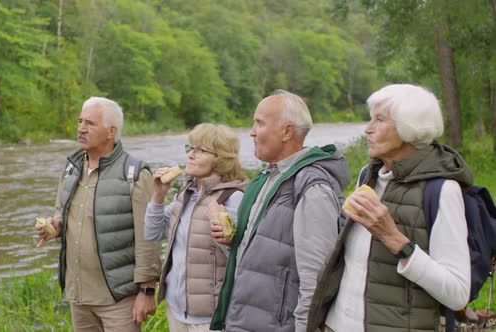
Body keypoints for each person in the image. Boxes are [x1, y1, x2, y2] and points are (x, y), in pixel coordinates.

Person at [307, 84, 472, 332]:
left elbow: (458, 294)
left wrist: (392, 237)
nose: (367, 128)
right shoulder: (368, 175)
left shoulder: (442, 190)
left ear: (409, 129)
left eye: (380, 120)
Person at [210, 90, 349, 331]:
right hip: (244, 321)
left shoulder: (313, 187)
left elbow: (316, 277)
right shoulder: (266, 177)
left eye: (259, 123)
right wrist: (231, 240)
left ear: (286, 132)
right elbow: (260, 254)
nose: (251, 131)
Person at [34, 97, 161, 332]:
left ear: (111, 131)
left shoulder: (134, 173)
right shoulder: (71, 167)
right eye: (80, 121)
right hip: (79, 296)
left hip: (118, 299)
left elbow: (149, 237)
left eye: (90, 124)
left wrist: (146, 291)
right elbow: (60, 212)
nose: (81, 128)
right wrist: (55, 225)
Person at [144, 123, 247, 332]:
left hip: (211, 317)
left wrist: (227, 241)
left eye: (200, 150)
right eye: (190, 148)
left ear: (221, 158)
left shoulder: (233, 198)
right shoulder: (186, 194)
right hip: (176, 311)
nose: (191, 155)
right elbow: (153, 233)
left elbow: (243, 256)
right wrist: (158, 196)